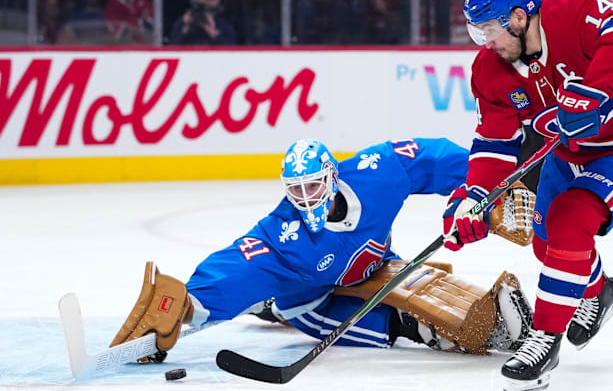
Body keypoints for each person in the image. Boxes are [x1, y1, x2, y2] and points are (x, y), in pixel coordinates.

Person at [109, 138, 538, 364]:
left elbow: (426, 159)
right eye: (295, 190)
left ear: (331, 176)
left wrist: (485, 182)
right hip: (313, 300)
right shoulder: (282, 233)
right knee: (401, 322)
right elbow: (238, 263)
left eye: (312, 185)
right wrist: (189, 307)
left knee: (421, 284)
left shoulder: (376, 173)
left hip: (375, 264)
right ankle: (276, 309)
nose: (305, 197)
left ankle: (267, 310)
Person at [449, 0, 613, 389]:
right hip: (569, 155)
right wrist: (475, 196)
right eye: (476, 31)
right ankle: (599, 291)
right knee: (545, 245)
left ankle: (544, 340)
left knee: (571, 222)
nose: (485, 43)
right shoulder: (489, 70)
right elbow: (495, 143)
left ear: (519, 17)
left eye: (488, 29)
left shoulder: (570, 13)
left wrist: (592, 93)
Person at [168, 0, 236, 45]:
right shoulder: (184, 22)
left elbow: (231, 53)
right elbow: (170, 49)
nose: (208, 1)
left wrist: (214, 33)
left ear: (217, 0)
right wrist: (184, 29)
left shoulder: (224, 26)